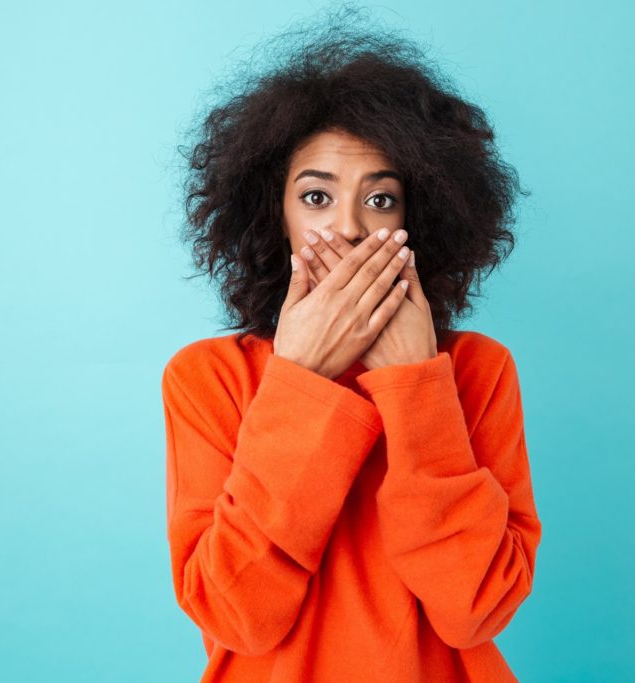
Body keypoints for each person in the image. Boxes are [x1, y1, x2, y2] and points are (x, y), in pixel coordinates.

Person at [161, 8, 541, 682]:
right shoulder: (208, 379)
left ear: (420, 215)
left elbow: (475, 608)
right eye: (315, 196)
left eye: (381, 200)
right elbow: (235, 611)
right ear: (272, 214)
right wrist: (300, 380)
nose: (350, 228)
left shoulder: (478, 370)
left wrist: (420, 383)